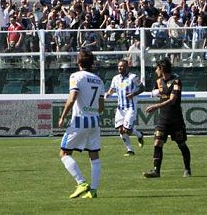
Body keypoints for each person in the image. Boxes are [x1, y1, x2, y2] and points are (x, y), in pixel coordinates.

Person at [58, 48, 104, 199]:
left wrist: (63, 116)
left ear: (78, 62)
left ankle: (81, 182)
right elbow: (101, 106)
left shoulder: (76, 76)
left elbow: (72, 98)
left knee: (64, 153)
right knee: (94, 155)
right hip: (95, 120)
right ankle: (94, 190)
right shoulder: (99, 80)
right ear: (92, 63)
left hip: (79, 120)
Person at [143, 58, 192, 178]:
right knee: (157, 143)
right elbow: (160, 93)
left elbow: (172, 100)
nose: (155, 71)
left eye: (157, 68)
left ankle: (187, 169)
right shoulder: (159, 81)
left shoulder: (176, 82)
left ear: (161, 69)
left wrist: (155, 106)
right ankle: (156, 171)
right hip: (163, 119)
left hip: (175, 119)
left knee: (181, 144)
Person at [105, 59, 145, 156]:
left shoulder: (133, 77)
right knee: (120, 129)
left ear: (127, 67)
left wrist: (134, 94)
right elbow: (112, 89)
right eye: (118, 66)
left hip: (130, 107)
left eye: (122, 66)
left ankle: (139, 135)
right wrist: (107, 94)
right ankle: (130, 150)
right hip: (120, 108)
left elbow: (143, 88)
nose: (119, 68)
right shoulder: (115, 78)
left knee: (127, 129)